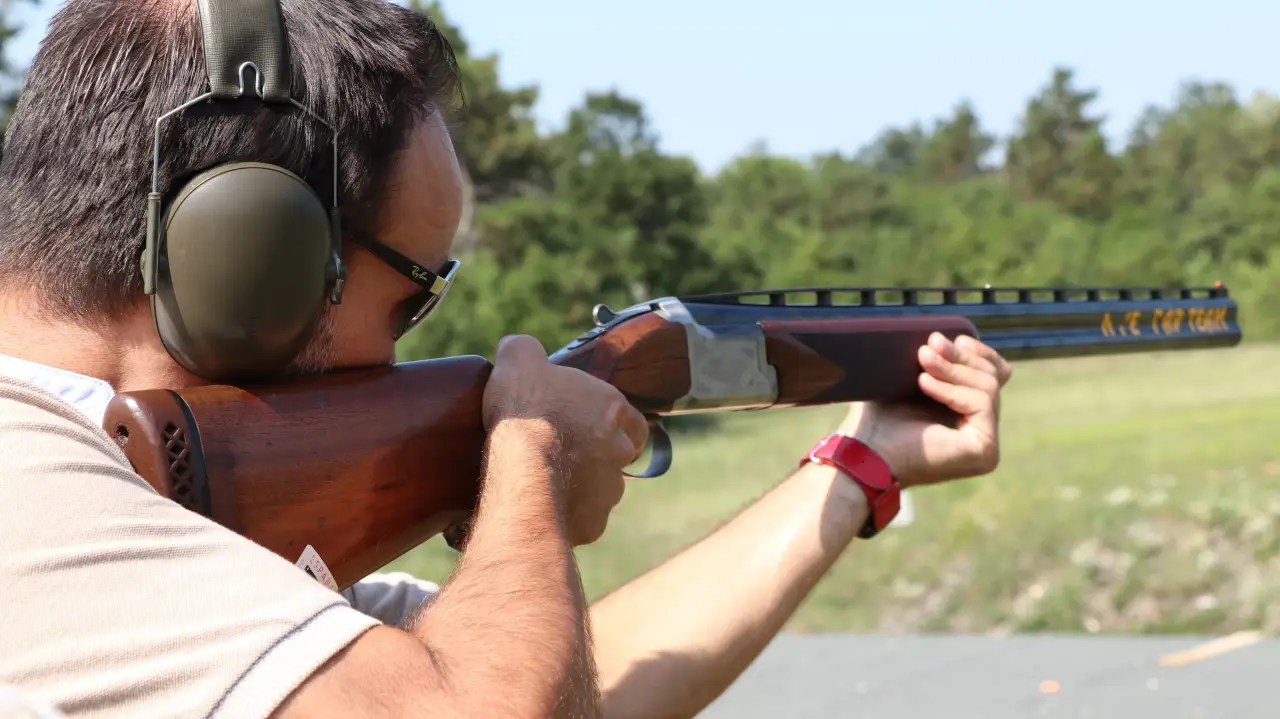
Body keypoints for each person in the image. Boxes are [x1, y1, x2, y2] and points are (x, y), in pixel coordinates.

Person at [0, 1, 1014, 717]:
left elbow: (572, 679)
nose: (413, 344)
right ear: (248, 257)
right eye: (413, 291)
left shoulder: (106, 491)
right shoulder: (25, 482)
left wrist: (855, 468)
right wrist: (524, 452)